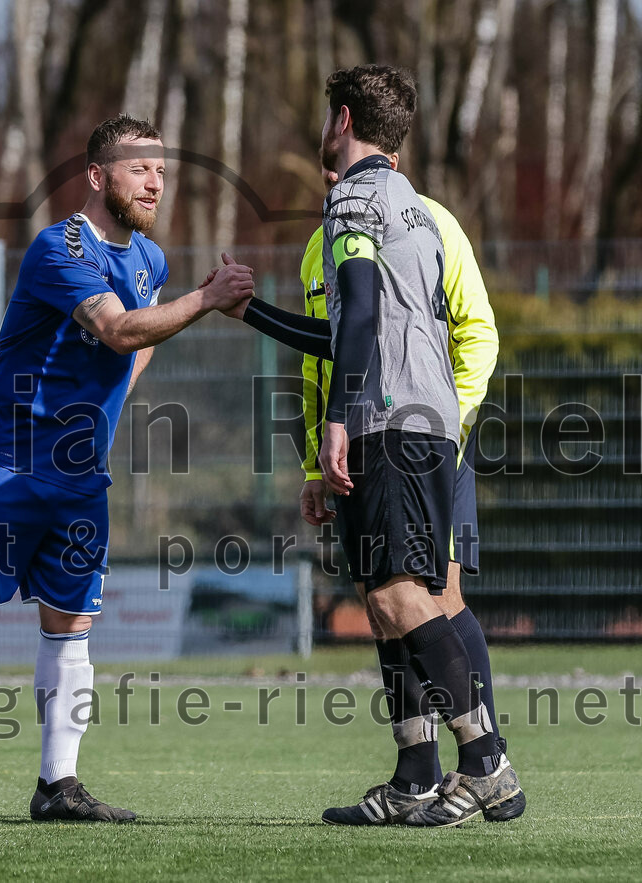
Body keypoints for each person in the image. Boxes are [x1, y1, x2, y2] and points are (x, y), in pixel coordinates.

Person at [0, 114, 254, 822]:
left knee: (71, 625)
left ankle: (57, 785)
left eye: (161, 171)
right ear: (98, 176)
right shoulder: (59, 247)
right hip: (6, 467)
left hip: (79, 476)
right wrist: (206, 300)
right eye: (140, 169)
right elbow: (118, 329)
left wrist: (105, 416)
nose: (155, 183)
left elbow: (139, 343)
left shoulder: (151, 259)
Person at [234, 65, 522, 827]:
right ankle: (415, 776)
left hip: (390, 421)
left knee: (405, 597)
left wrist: (338, 419)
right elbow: (344, 331)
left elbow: (360, 315)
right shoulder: (414, 208)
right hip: (411, 422)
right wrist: (251, 310)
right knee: (387, 602)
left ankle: (486, 762)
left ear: (342, 119)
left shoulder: (352, 198)